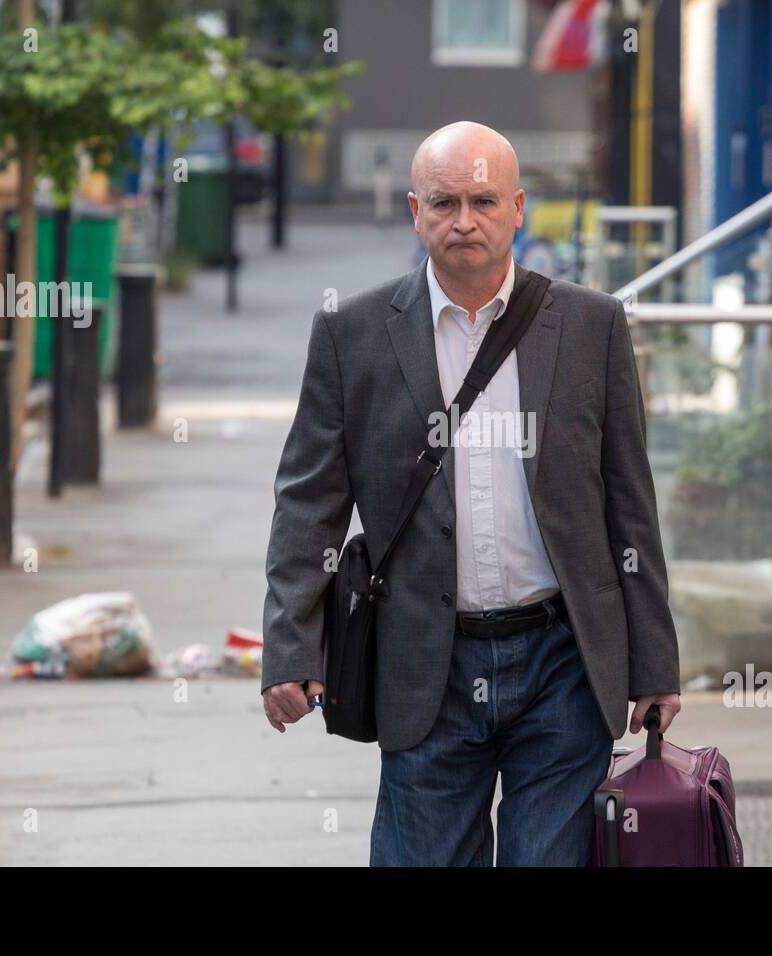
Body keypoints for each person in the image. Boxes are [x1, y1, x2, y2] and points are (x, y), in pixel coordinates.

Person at [260, 121, 680, 866]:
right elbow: (308, 506)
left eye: (484, 200)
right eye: (445, 202)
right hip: (426, 660)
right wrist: (291, 646)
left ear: (518, 207)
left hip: (563, 659)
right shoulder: (350, 334)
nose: (465, 221)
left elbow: (630, 505)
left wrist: (653, 658)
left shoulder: (591, 326)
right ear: (415, 210)